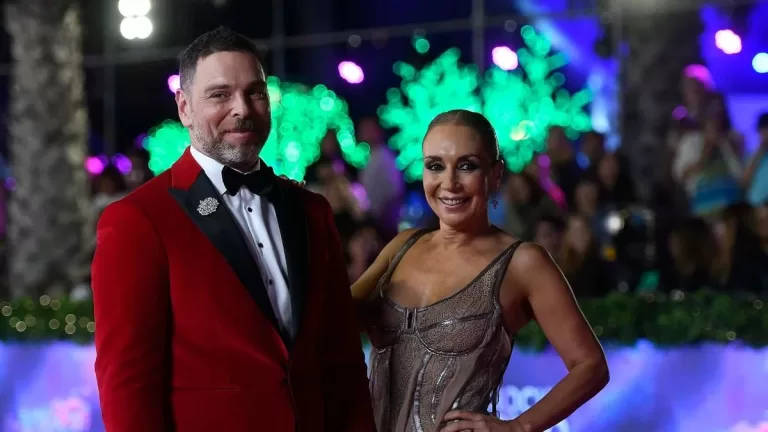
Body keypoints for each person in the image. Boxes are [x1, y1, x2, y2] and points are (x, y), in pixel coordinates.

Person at [91, 27, 374, 432]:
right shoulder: (138, 219)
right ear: (185, 107)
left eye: (255, 93)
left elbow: (342, 359)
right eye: (220, 95)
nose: (242, 108)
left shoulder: (312, 211)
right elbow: (127, 382)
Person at [352, 109, 609, 432]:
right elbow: (329, 319)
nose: (449, 183)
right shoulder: (402, 246)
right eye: (435, 166)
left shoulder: (523, 262)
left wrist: (518, 427)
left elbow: (591, 365)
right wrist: (298, 215)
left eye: (467, 166)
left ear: (496, 174)